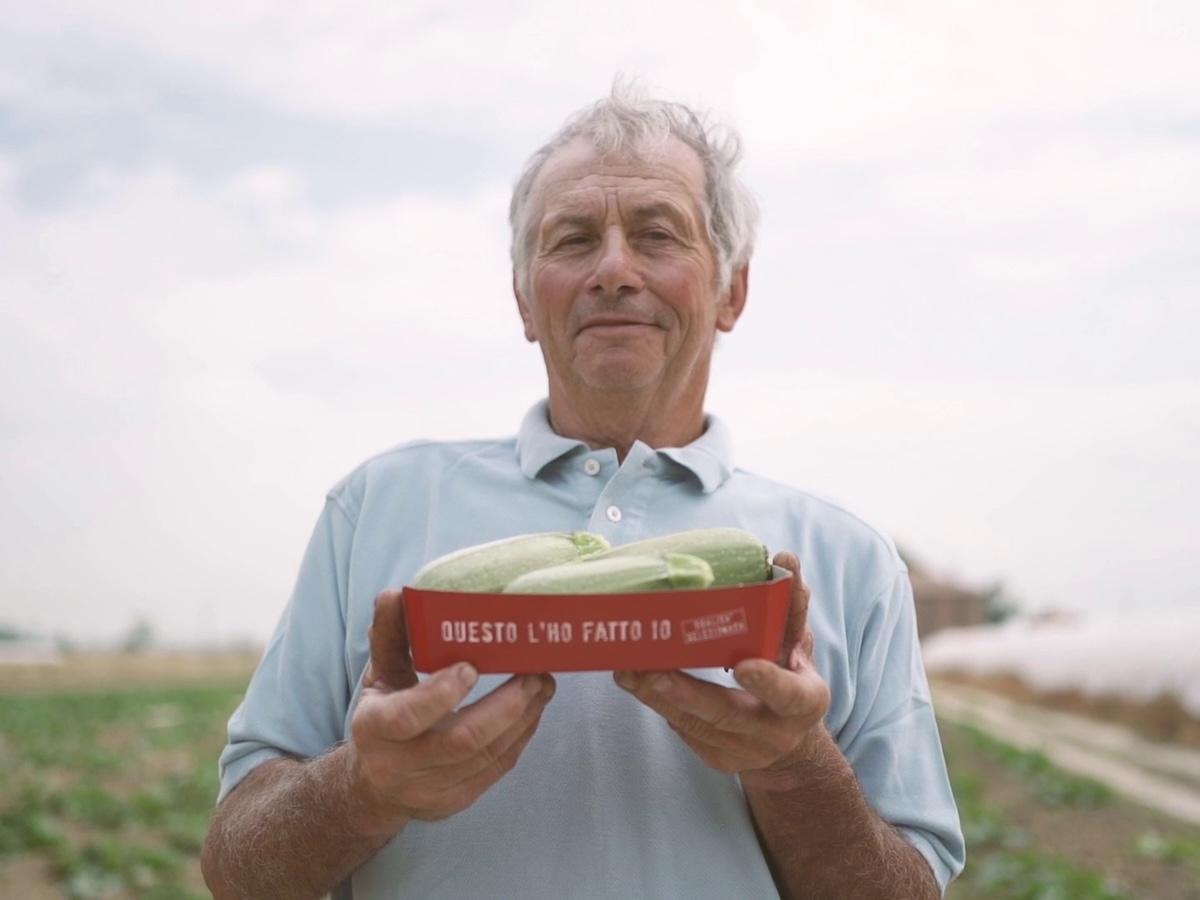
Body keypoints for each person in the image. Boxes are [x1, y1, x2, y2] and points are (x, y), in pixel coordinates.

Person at [201, 86, 965, 899]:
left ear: (733, 291)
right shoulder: (375, 506)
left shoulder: (850, 560)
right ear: (526, 299)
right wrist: (366, 788)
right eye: (571, 240)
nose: (612, 269)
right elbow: (237, 867)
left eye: (655, 234)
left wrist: (791, 765)